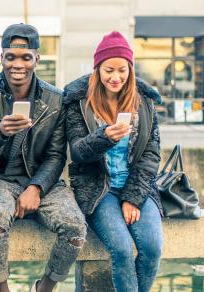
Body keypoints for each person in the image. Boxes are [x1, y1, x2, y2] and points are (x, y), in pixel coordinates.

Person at [0, 24, 87, 292]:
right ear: (2, 58)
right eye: (11, 57)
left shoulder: (56, 100)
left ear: (37, 59)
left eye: (26, 57)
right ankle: (2, 288)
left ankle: (45, 287)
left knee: (76, 228)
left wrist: (35, 188)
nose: (18, 65)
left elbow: (55, 156)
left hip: (42, 181)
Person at [64, 31, 163, 292]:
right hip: (99, 188)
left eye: (122, 70)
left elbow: (151, 154)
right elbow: (77, 152)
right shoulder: (79, 103)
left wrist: (133, 197)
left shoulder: (145, 103)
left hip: (138, 186)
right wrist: (103, 138)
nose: (115, 77)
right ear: (97, 69)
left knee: (152, 248)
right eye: (109, 70)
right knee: (120, 248)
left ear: (130, 70)